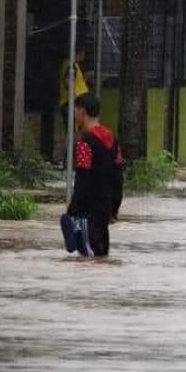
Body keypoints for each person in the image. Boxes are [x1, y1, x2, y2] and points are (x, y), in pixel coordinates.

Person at [66, 93, 125, 257]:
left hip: (87, 213)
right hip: (105, 213)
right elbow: (118, 176)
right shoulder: (113, 139)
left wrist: (72, 211)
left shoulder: (84, 142)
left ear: (82, 112)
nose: (74, 116)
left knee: (88, 261)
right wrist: (114, 208)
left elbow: (82, 179)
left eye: (75, 111)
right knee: (101, 258)